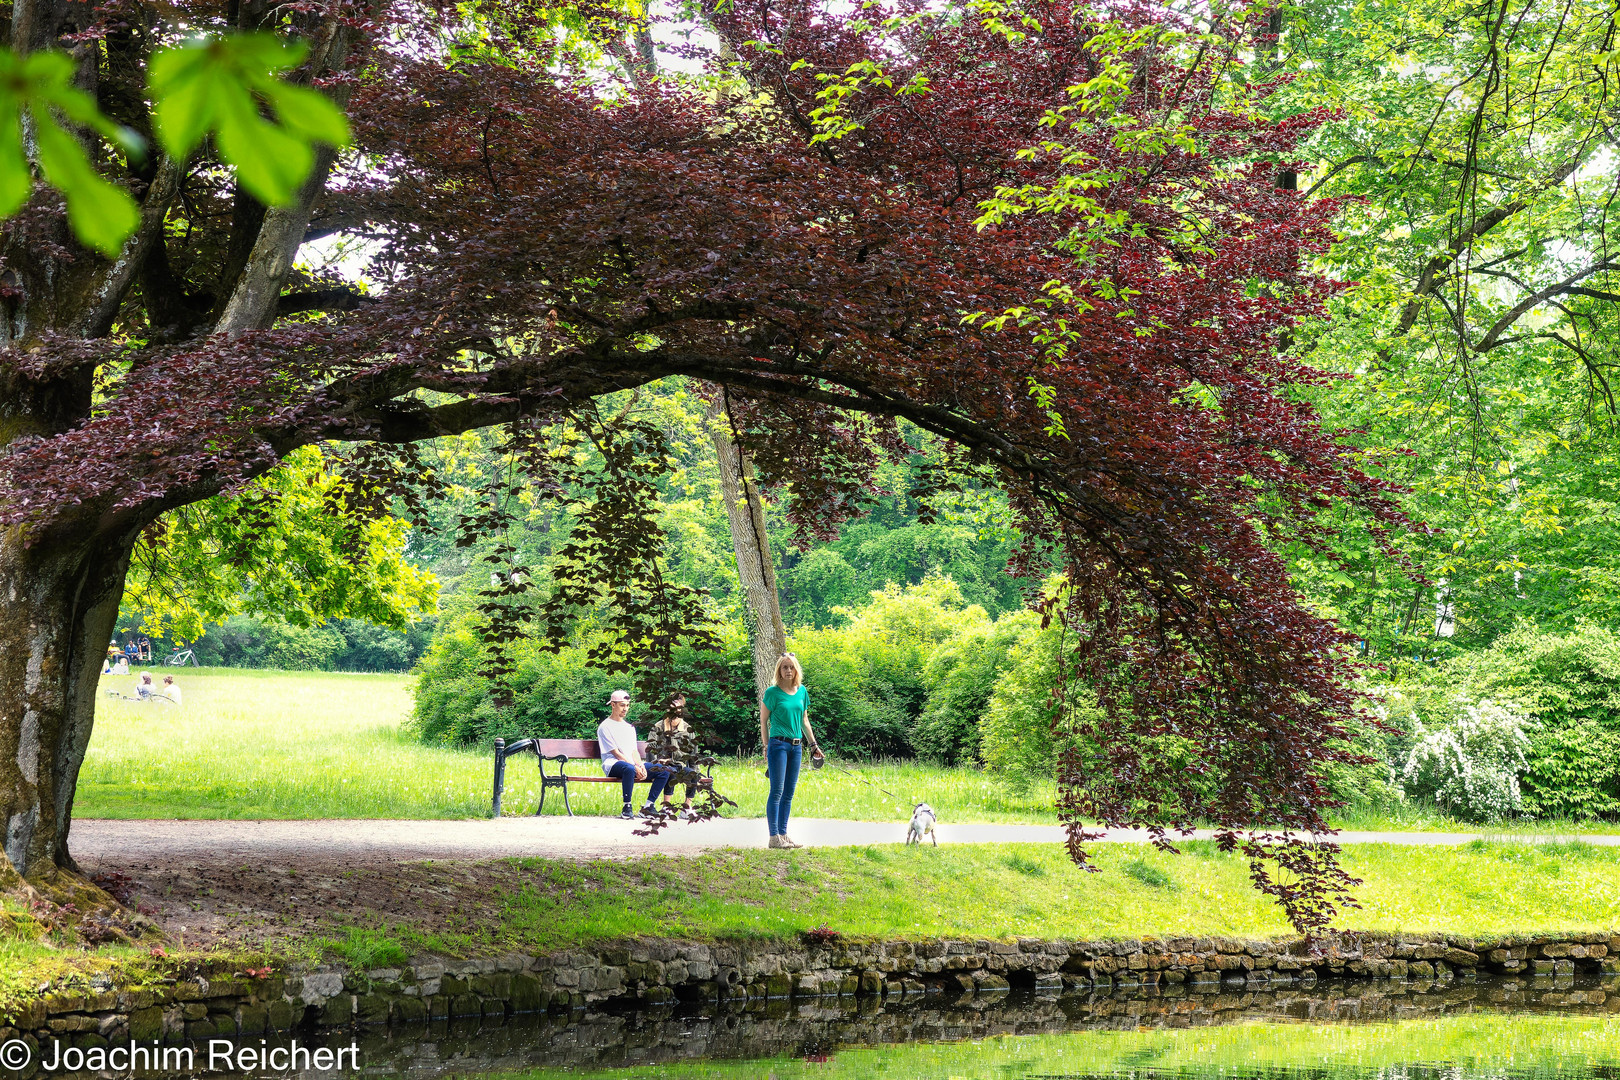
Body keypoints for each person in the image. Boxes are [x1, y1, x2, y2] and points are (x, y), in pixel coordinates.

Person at [760, 653, 823, 849]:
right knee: (777, 791)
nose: (788, 670)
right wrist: (766, 745)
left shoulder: (802, 691)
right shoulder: (772, 692)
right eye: (784, 667)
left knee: (789, 793)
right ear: (779, 671)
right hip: (778, 745)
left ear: (796, 670)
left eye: (791, 667)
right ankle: (773, 837)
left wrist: (814, 745)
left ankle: (783, 834)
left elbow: (805, 721)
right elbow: (763, 721)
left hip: (797, 747)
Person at [597, 690, 671, 819]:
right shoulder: (605, 726)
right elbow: (616, 753)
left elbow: (634, 751)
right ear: (613, 705)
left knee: (663, 770)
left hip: (630, 764)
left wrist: (640, 765)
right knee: (629, 769)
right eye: (622, 705)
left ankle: (648, 806)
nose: (625, 709)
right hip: (613, 764)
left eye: (627, 705)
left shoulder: (629, 727)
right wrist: (634, 766)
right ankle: (627, 806)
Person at [646, 693, 701, 818]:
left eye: (678, 708)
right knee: (669, 771)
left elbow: (694, 753)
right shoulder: (658, 727)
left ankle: (686, 808)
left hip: (680, 766)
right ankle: (666, 806)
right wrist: (655, 765)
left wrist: (695, 769)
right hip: (663, 766)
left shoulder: (688, 729)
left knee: (694, 774)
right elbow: (650, 748)